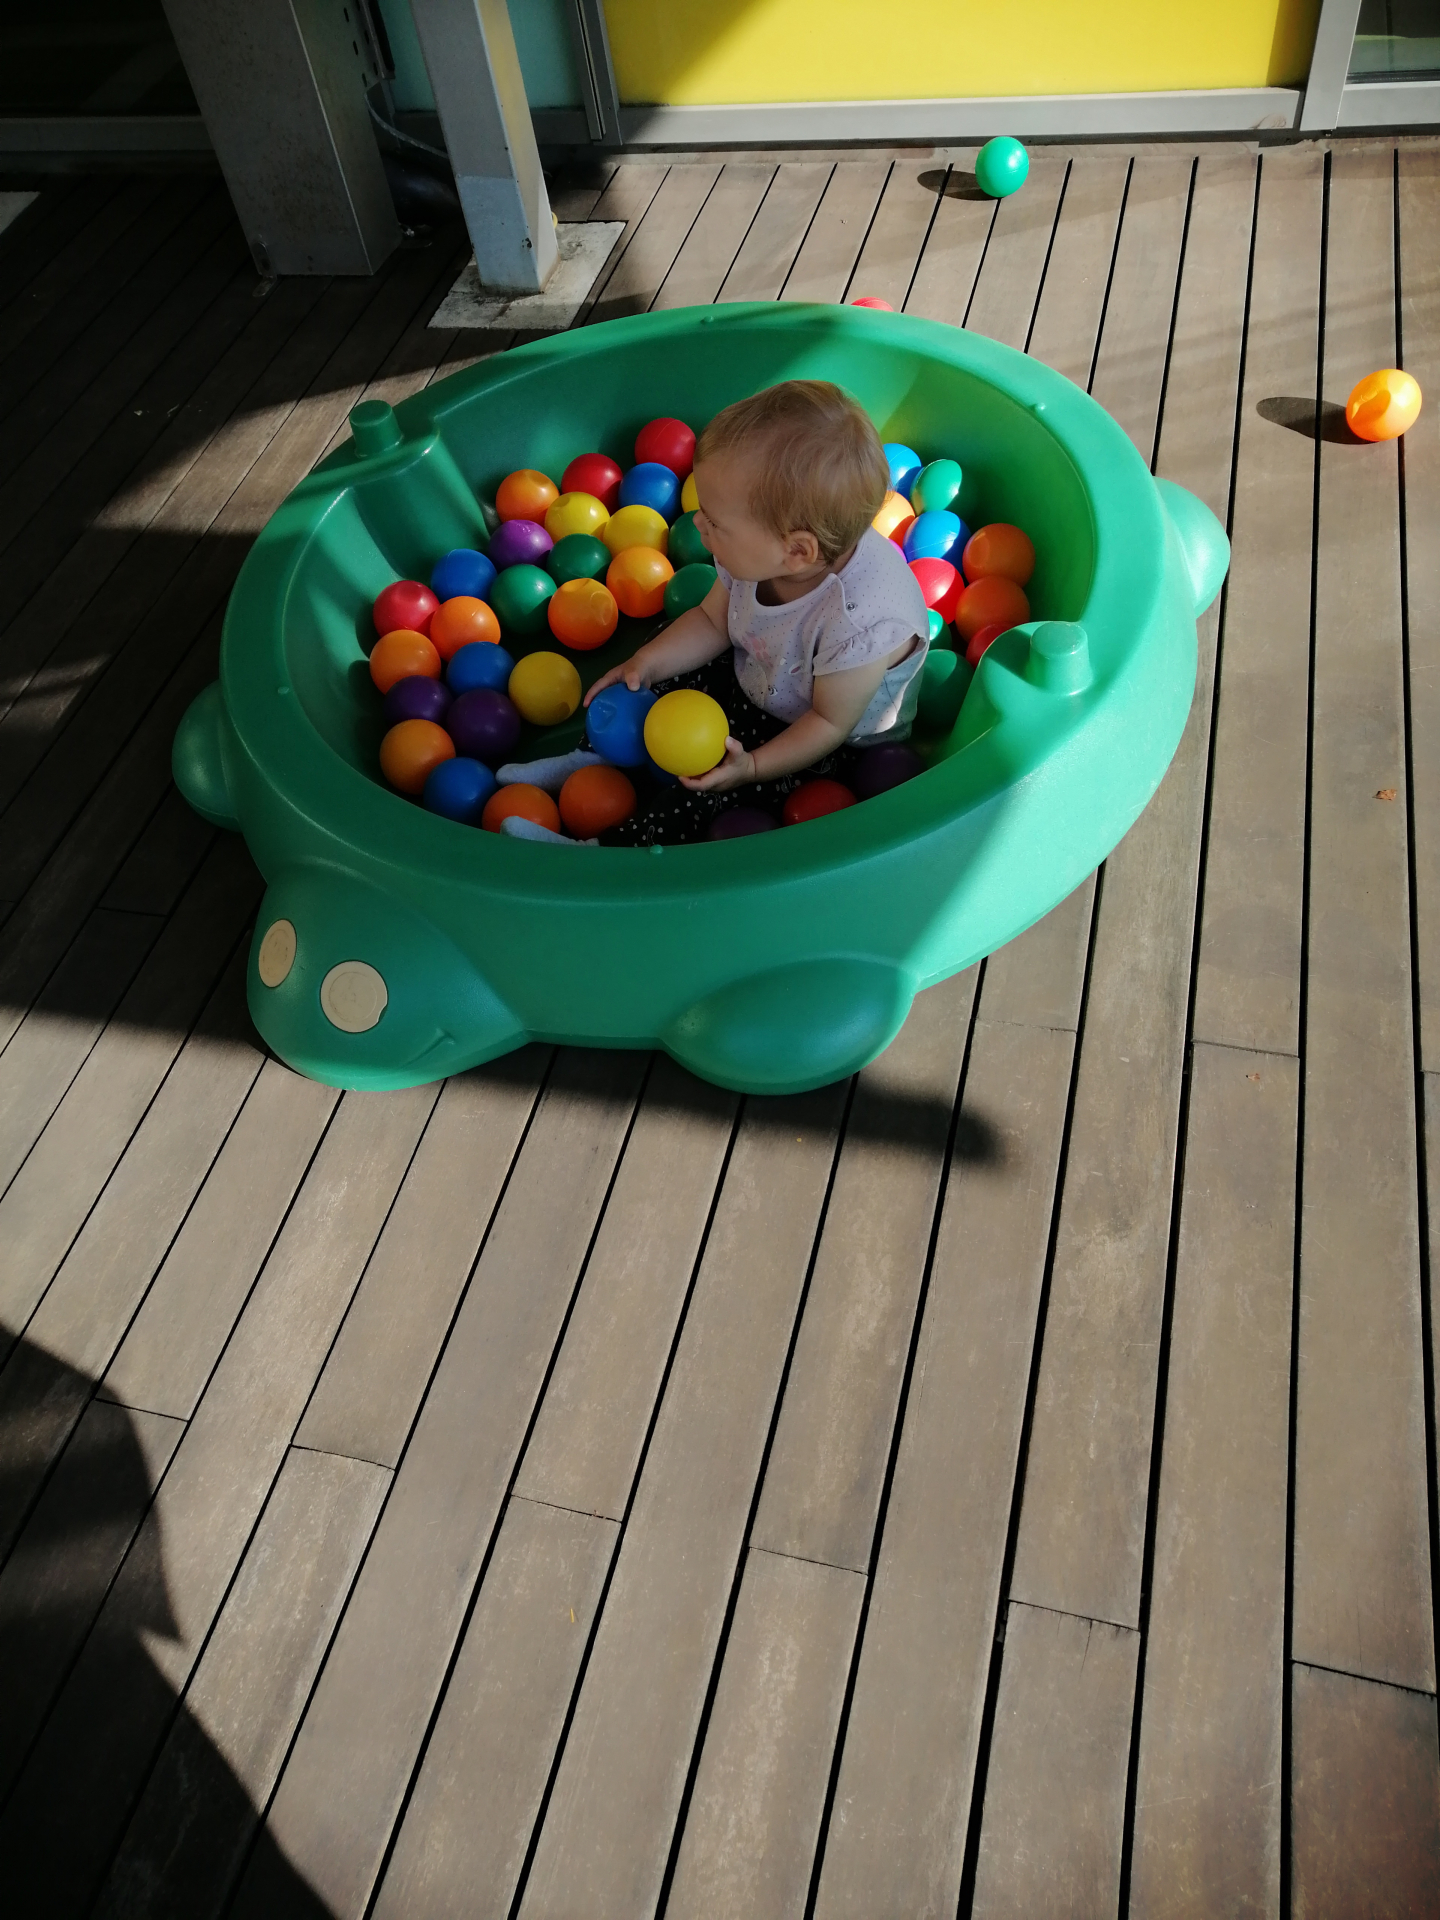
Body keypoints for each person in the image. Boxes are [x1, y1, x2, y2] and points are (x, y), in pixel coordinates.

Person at [499, 379, 929, 845]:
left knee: (711, 793)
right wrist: (646, 665)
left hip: (823, 737)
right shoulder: (762, 554)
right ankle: (594, 754)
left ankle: (607, 852)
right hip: (762, 672)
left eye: (716, 522)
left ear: (797, 551)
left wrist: (752, 767)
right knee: (658, 655)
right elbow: (711, 621)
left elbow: (828, 723)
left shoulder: (859, 622)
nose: (698, 523)